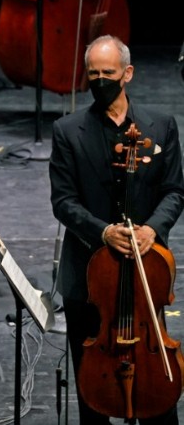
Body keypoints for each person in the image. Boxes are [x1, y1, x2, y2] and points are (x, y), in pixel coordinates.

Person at [49, 35, 184, 425]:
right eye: (93, 74)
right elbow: (64, 202)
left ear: (127, 74)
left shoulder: (160, 126)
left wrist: (151, 231)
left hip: (147, 273)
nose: (100, 80)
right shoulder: (67, 131)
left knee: (159, 399)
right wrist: (103, 232)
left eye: (108, 73)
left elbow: (175, 190)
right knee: (94, 399)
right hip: (91, 282)